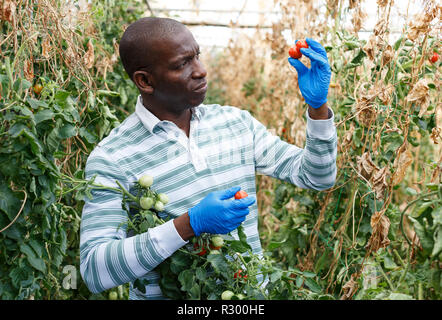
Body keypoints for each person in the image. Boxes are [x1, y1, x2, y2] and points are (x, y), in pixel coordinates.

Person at [79, 17, 337, 300]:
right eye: (182, 64)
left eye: (197, 57)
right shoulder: (113, 156)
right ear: (145, 81)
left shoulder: (236, 124)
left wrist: (318, 109)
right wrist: (188, 225)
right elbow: (95, 269)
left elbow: (317, 176)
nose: (200, 71)